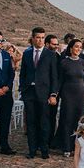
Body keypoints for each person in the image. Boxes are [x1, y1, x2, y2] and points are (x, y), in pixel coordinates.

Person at [19, 27, 59, 159]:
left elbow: (54, 76)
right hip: (29, 92)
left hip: (44, 93)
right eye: (38, 37)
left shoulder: (50, 54)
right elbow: (23, 73)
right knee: (31, 122)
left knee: (44, 122)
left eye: (42, 38)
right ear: (33, 38)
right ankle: (32, 149)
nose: (40, 40)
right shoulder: (27, 53)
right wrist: (22, 90)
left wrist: (53, 94)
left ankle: (44, 150)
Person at [56, 39, 84, 157]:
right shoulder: (64, 62)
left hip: (80, 93)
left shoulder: (83, 62)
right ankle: (66, 147)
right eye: (76, 47)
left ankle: (77, 147)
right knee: (67, 119)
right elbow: (59, 80)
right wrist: (55, 94)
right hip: (67, 93)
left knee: (79, 121)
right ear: (71, 48)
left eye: (80, 47)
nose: (78, 49)